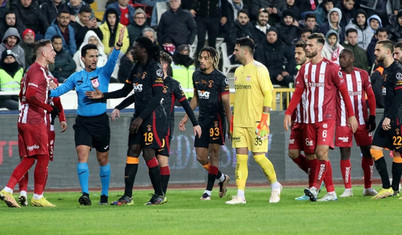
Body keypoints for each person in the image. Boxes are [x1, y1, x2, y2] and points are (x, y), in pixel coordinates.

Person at [86, 36, 168, 205]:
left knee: (148, 153)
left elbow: (157, 97)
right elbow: (125, 91)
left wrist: (140, 118)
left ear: (144, 50)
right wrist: (104, 95)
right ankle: (127, 196)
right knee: (132, 152)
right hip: (138, 116)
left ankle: (160, 194)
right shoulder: (136, 68)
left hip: (152, 117)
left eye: (135, 48)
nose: (132, 51)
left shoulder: (155, 68)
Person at [49, 27, 125, 206]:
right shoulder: (77, 77)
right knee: (82, 154)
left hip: (100, 122)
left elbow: (113, 59)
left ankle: (104, 195)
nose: (94, 59)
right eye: (91, 56)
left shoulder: (104, 73)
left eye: (96, 56)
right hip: (83, 122)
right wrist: (45, 91)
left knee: (102, 159)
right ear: (82, 58)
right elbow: (60, 90)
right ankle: (85, 194)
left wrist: (118, 45)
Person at [110, 51, 202, 200]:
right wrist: (119, 106)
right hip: (148, 123)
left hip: (164, 126)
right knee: (145, 154)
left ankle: (161, 194)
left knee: (162, 159)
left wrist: (195, 123)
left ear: (164, 65)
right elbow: (135, 96)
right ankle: (151, 195)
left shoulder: (173, 84)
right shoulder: (150, 80)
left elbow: (185, 104)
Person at [284, 33, 358, 202]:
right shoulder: (305, 69)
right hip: (309, 119)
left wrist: (351, 115)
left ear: (319, 48)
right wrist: (289, 112)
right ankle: (330, 191)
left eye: (310, 46)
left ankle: (315, 188)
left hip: (326, 118)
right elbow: (298, 93)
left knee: (321, 152)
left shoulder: (331, 68)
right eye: (307, 45)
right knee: (313, 156)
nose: (307, 48)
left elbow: (344, 92)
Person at [0, 39, 59, 208]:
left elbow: (22, 93)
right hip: (33, 119)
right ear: (43, 53)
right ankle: (37, 196)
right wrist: (48, 107)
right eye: (51, 50)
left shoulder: (35, 71)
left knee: (31, 157)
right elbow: (31, 95)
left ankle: (8, 190)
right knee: (43, 156)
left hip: (27, 118)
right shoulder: (37, 70)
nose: (54, 53)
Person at [226, 37, 282, 205]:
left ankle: (275, 185)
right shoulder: (237, 72)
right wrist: (233, 120)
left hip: (258, 122)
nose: (234, 53)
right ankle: (240, 195)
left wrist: (264, 118)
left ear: (245, 51)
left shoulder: (259, 69)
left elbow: (268, 94)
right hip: (240, 123)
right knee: (240, 159)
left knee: (258, 157)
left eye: (236, 50)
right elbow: (239, 99)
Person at [179, 46, 231, 200]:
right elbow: (196, 98)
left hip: (217, 121)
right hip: (202, 121)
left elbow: (226, 104)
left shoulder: (221, 78)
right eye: (201, 57)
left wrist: (231, 125)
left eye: (206, 58)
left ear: (213, 60)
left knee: (213, 154)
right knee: (201, 157)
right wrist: (186, 116)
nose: (202, 60)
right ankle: (222, 178)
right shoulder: (196, 75)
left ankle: (208, 191)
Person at [17, 70, 68, 206]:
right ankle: (38, 195)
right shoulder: (51, 80)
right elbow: (56, 101)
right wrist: (62, 118)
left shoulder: (25, 79)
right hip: (42, 125)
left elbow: (22, 98)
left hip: (26, 121)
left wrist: (61, 118)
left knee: (26, 158)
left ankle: (22, 192)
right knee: (43, 160)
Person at [335, 48, 378, 198]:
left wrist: (372, 116)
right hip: (343, 121)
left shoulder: (363, 74)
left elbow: (371, 95)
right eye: (340, 57)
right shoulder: (336, 74)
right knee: (345, 152)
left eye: (344, 57)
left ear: (352, 59)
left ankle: (368, 187)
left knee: (368, 152)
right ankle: (348, 188)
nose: (341, 60)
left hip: (362, 121)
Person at [370, 39, 402, 199]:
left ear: (388, 52)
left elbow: (400, 97)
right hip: (388, 116)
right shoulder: (385, 71)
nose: (375, 53)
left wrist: (389, 117)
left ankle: (394, 188)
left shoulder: (397, 70)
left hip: (397, 118)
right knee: (375, 149)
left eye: (378, 50)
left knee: (398, 153)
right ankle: (387, 187)